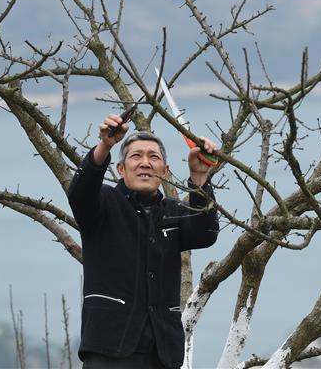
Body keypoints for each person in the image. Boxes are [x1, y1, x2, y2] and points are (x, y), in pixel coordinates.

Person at [67, 113, 219, 369]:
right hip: (109, 349)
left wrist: (200, 177)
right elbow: (80, 193)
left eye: (154, 157)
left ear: (165, 171)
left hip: (162, 351)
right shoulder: (103, 203)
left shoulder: (173, 210)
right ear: (120, 168)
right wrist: (105, 145)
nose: (145, 163)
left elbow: (205, 233)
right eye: (136, 156)